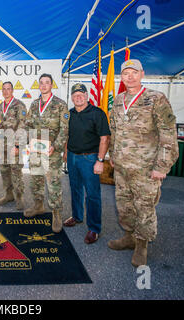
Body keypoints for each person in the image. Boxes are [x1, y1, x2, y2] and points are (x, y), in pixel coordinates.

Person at [108, 59, 179, 267]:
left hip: (146, 168)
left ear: (142, 74)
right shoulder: (119, 100)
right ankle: (129, 237)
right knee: (124, 205)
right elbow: (115, 130)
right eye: (126, 73)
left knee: (144, 207)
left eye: (134, 72)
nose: (130, 77)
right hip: (121, 167)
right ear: (122, 77)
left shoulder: (156, 99)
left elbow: (168, 134)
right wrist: (112, 154)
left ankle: (142, 245)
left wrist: (162, 166)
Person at [63, 83, 111, 244]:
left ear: (87, 96)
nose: (78, 97)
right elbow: (67, 135)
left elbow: (105, 138)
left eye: (81, 94)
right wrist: (65, 153)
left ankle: (94, 228)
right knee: (75, 188)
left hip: (90, 159)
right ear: (71, 97)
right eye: (75, 94)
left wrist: (100, 160)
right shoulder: (69, 114)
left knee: (92, 194)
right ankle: (77, 217)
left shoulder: (98, 113)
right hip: (72, 157)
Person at [24, 74, 70, 233]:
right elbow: (28, 124)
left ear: (52, 85)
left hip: (52, 152)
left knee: (53, 184)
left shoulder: (60, 104)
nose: (44, 85)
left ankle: (56, 213)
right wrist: (27, 141)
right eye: (41, 83)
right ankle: (38, 206)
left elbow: (65, 130)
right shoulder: (34, 104)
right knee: (35, 180)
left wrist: (56, 147)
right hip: (36, 151)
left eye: (47, 83)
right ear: (39, 85)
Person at [0, 81, 28, 210]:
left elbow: (23, 125)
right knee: (4, 170)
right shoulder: (0, 106)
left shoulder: (19, 105)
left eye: (8, 89)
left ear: (12, 90)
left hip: (14, 144)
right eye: (4, 89)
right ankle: (9, 194)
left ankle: (19, 197)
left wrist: (17, 146)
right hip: (2, 143)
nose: (6, 91)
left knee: (15, 171)